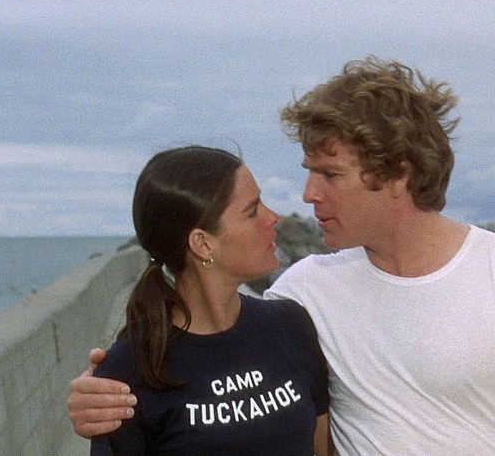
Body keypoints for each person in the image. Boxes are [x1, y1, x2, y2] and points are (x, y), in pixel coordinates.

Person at [68, 58, 495, 455]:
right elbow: (208, 340)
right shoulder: (304, 295)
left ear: (397, 174)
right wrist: (100, 395)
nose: (307, 195)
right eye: (309, 172)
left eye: (329, 174)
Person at [80, 146, 330, 455]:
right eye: (252, 211)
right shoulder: (130, 372)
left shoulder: (291, 325)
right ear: (202, 243)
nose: (272, 217)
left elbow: (322, 448)